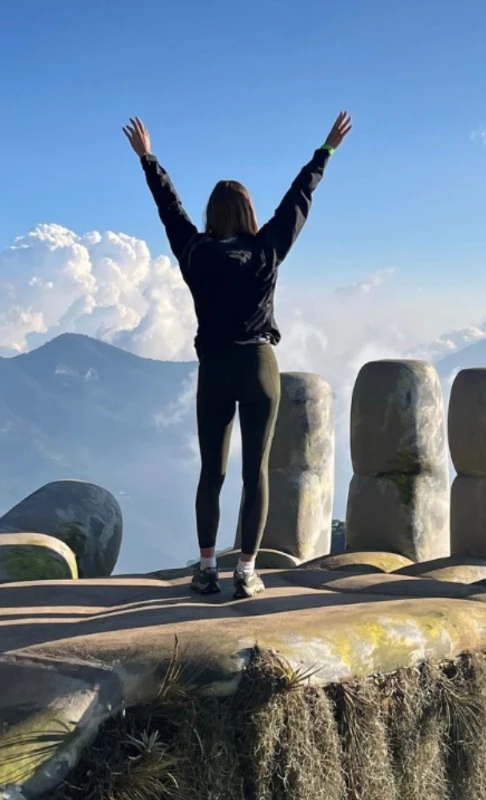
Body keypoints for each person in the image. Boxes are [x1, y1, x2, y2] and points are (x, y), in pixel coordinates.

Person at [123, 111, 353, 599]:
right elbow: (299, 199)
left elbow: (169, 208)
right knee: (256, 472)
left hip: (215, 369)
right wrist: (325, 152)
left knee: (213, 471)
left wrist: (149, 159)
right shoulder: (266, 249)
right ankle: (246, 572)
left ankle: (206, 569)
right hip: (258, 367)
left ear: (212, 214)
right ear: (249, 213)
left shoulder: (194, 252)